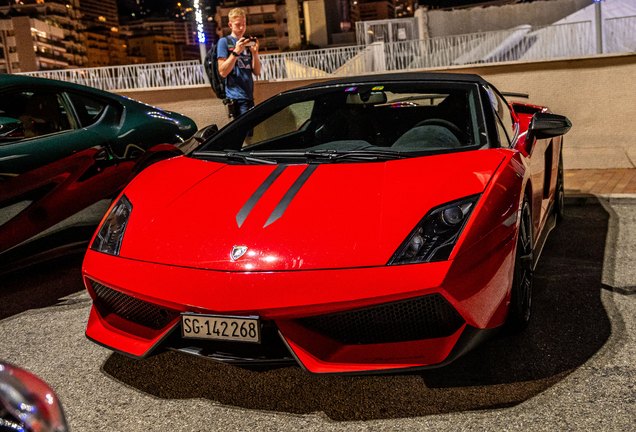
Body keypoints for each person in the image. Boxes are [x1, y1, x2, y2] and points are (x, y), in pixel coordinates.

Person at [217, 8, 262, 118]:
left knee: (250, 133)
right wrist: (236, 52)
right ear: (230, 25)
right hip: (235, 98)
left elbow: (257, 72)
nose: (242, 28)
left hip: (249, 96)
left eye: (244, 24)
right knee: (242, 133)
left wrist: (255, 53)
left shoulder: (246, 43)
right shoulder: (224, 42)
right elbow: (222, 71)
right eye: (238, 24)